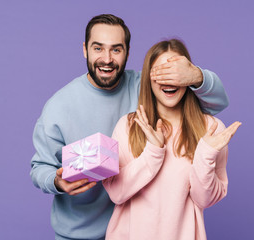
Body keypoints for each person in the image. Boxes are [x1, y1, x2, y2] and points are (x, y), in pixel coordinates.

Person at [30, 14, 229, 240]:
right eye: (98, 48)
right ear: (85, 49)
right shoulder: (60, 106)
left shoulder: (146, 85)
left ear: (127, 51)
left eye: (116, 49)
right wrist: (56, 181)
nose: (106, 59)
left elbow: (217, 103)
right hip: (81, 230)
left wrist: (196, 75)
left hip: (136, 226)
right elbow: (40, 167)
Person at [102, 39, 241, 240]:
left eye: (174, 72)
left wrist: (205, 155)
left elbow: (205, 200)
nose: (168, 80)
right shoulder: (128, 126)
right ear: (148, 79)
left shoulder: (210, 130)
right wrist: (153, 152)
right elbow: (116, 193)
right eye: (160, 72)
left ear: (188, 77)